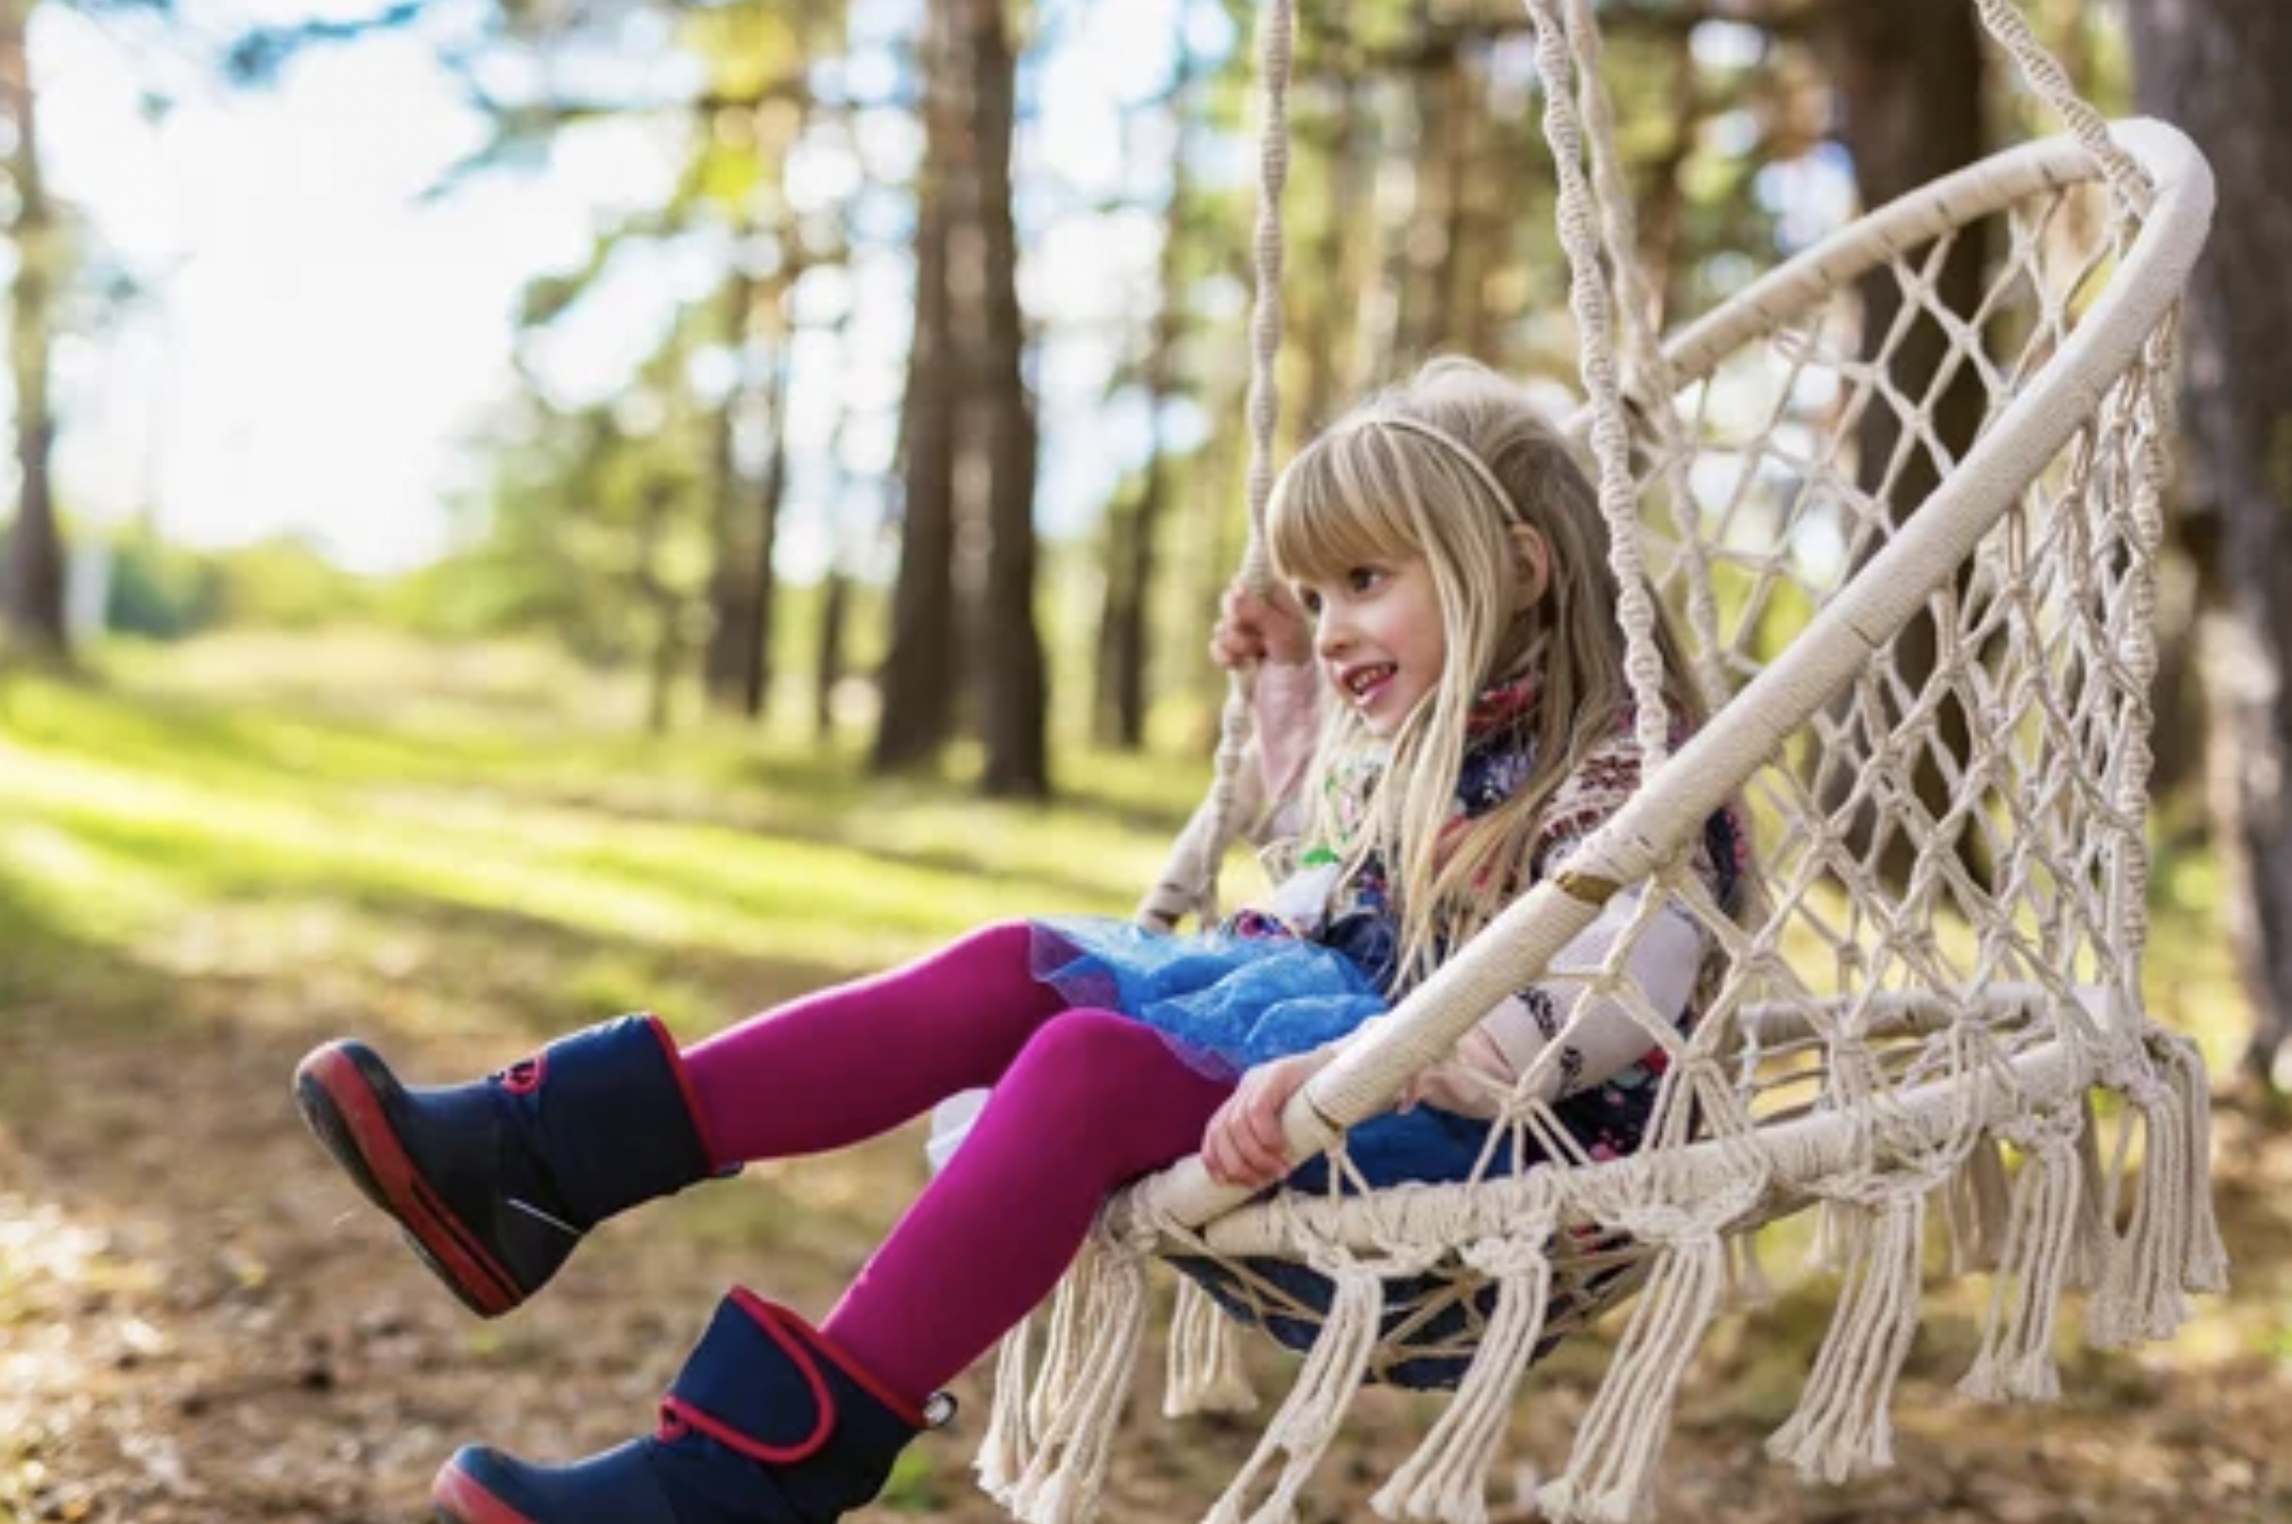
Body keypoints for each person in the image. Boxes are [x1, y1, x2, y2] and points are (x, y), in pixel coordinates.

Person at [292, 356, 1747, 1524]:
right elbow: (1332, 868)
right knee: (1014, 966)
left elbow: (1575, 1020)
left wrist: (1348, 1080)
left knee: (1088, 1071)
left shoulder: (1644, 793)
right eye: (1317, 591)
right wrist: (1295, 699)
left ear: (1522, 570)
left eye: (1369, 583)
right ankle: (543, 1163)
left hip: (1483, 1150)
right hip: (1339, 1076)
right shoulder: (1422, 748)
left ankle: (754, 1474)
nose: (1334, 621)